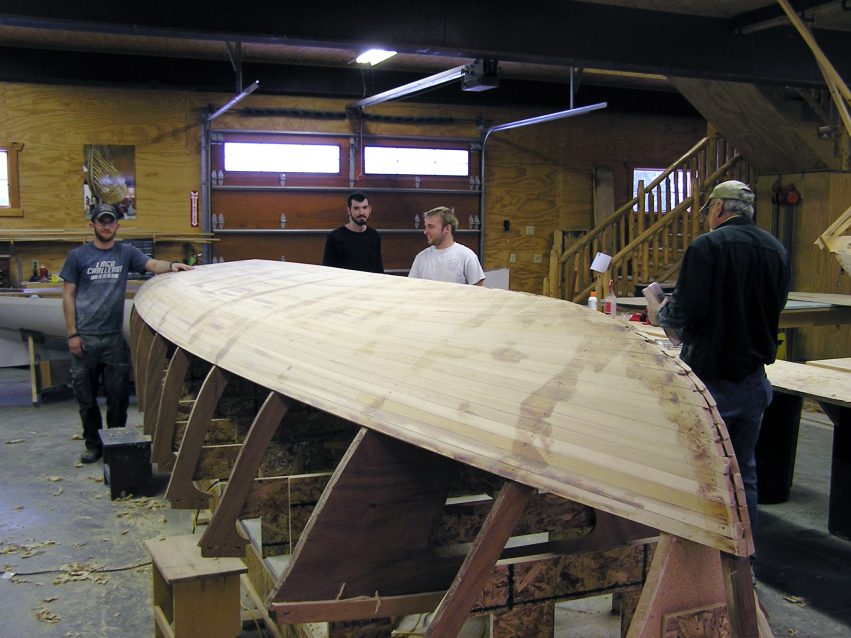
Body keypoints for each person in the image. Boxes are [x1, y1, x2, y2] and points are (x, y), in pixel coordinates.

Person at [648, 180, 790, 537]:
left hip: (709, 382)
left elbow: (681, 314)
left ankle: (697, 567)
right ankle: (745, 564)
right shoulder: (776, 250)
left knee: (697, 473)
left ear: (717, 209)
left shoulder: (707, 246)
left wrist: (658, 309)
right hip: (753, 380)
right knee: (743, 476)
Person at [61, 203, 193, 464]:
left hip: (113, 339)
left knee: (118, 398)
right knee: (86, 399)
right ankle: (93, 445)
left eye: (111, 222)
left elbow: (152, 264)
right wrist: (72, 335)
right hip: (84, 337)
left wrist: (174, 265)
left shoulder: (125, 253)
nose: (106, 226)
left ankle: (115, 444)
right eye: (101, 222)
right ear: (93, 225)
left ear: (117, 226)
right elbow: (68, 295)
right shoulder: (78, 256)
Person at [408, 207, 485, 285]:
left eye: (430, 226)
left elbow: (479, 292)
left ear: (447, 229)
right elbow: (411, 289)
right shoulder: (421, 258)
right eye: (426, 227)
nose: (425, 231)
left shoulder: (467, 256)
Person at [322, 191, 384, 273]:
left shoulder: (374, 236)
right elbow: (328, 271)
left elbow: (379, 268)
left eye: (364, 207)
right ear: (349, 210)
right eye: (356, 208)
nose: (361, 212)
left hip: (370, 284)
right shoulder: (335, 237)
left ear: (370, 209)